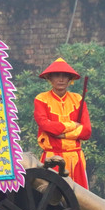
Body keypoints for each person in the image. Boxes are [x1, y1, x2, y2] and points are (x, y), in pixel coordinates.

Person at [33, 58, 91, 188]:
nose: (61, 79)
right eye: (57, 76)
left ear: (70, 79)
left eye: (65, 76)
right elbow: (45, 126)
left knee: (81, 199)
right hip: (52, 157)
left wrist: (63, 135)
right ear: (50, 79)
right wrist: (72, 126)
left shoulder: (78, 99)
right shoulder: (41, 99)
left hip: (75, 157)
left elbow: (86, 131)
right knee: (48, 197)